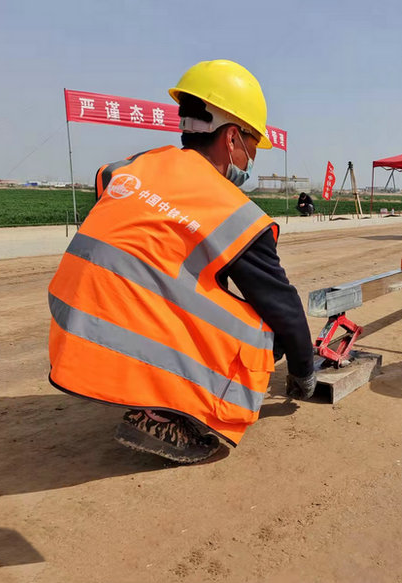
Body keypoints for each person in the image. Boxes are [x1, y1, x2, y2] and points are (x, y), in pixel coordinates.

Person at [48, 60, 316, 463]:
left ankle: (139, 382)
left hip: (70, 319)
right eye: (252, 148)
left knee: (177, 290)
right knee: (261, 334)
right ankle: (164, 415)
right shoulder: (232, 211)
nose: (250, 161)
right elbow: (283, 307)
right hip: (119, 326)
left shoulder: (134, 166)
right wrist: (303, 370)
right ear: (231, 137)